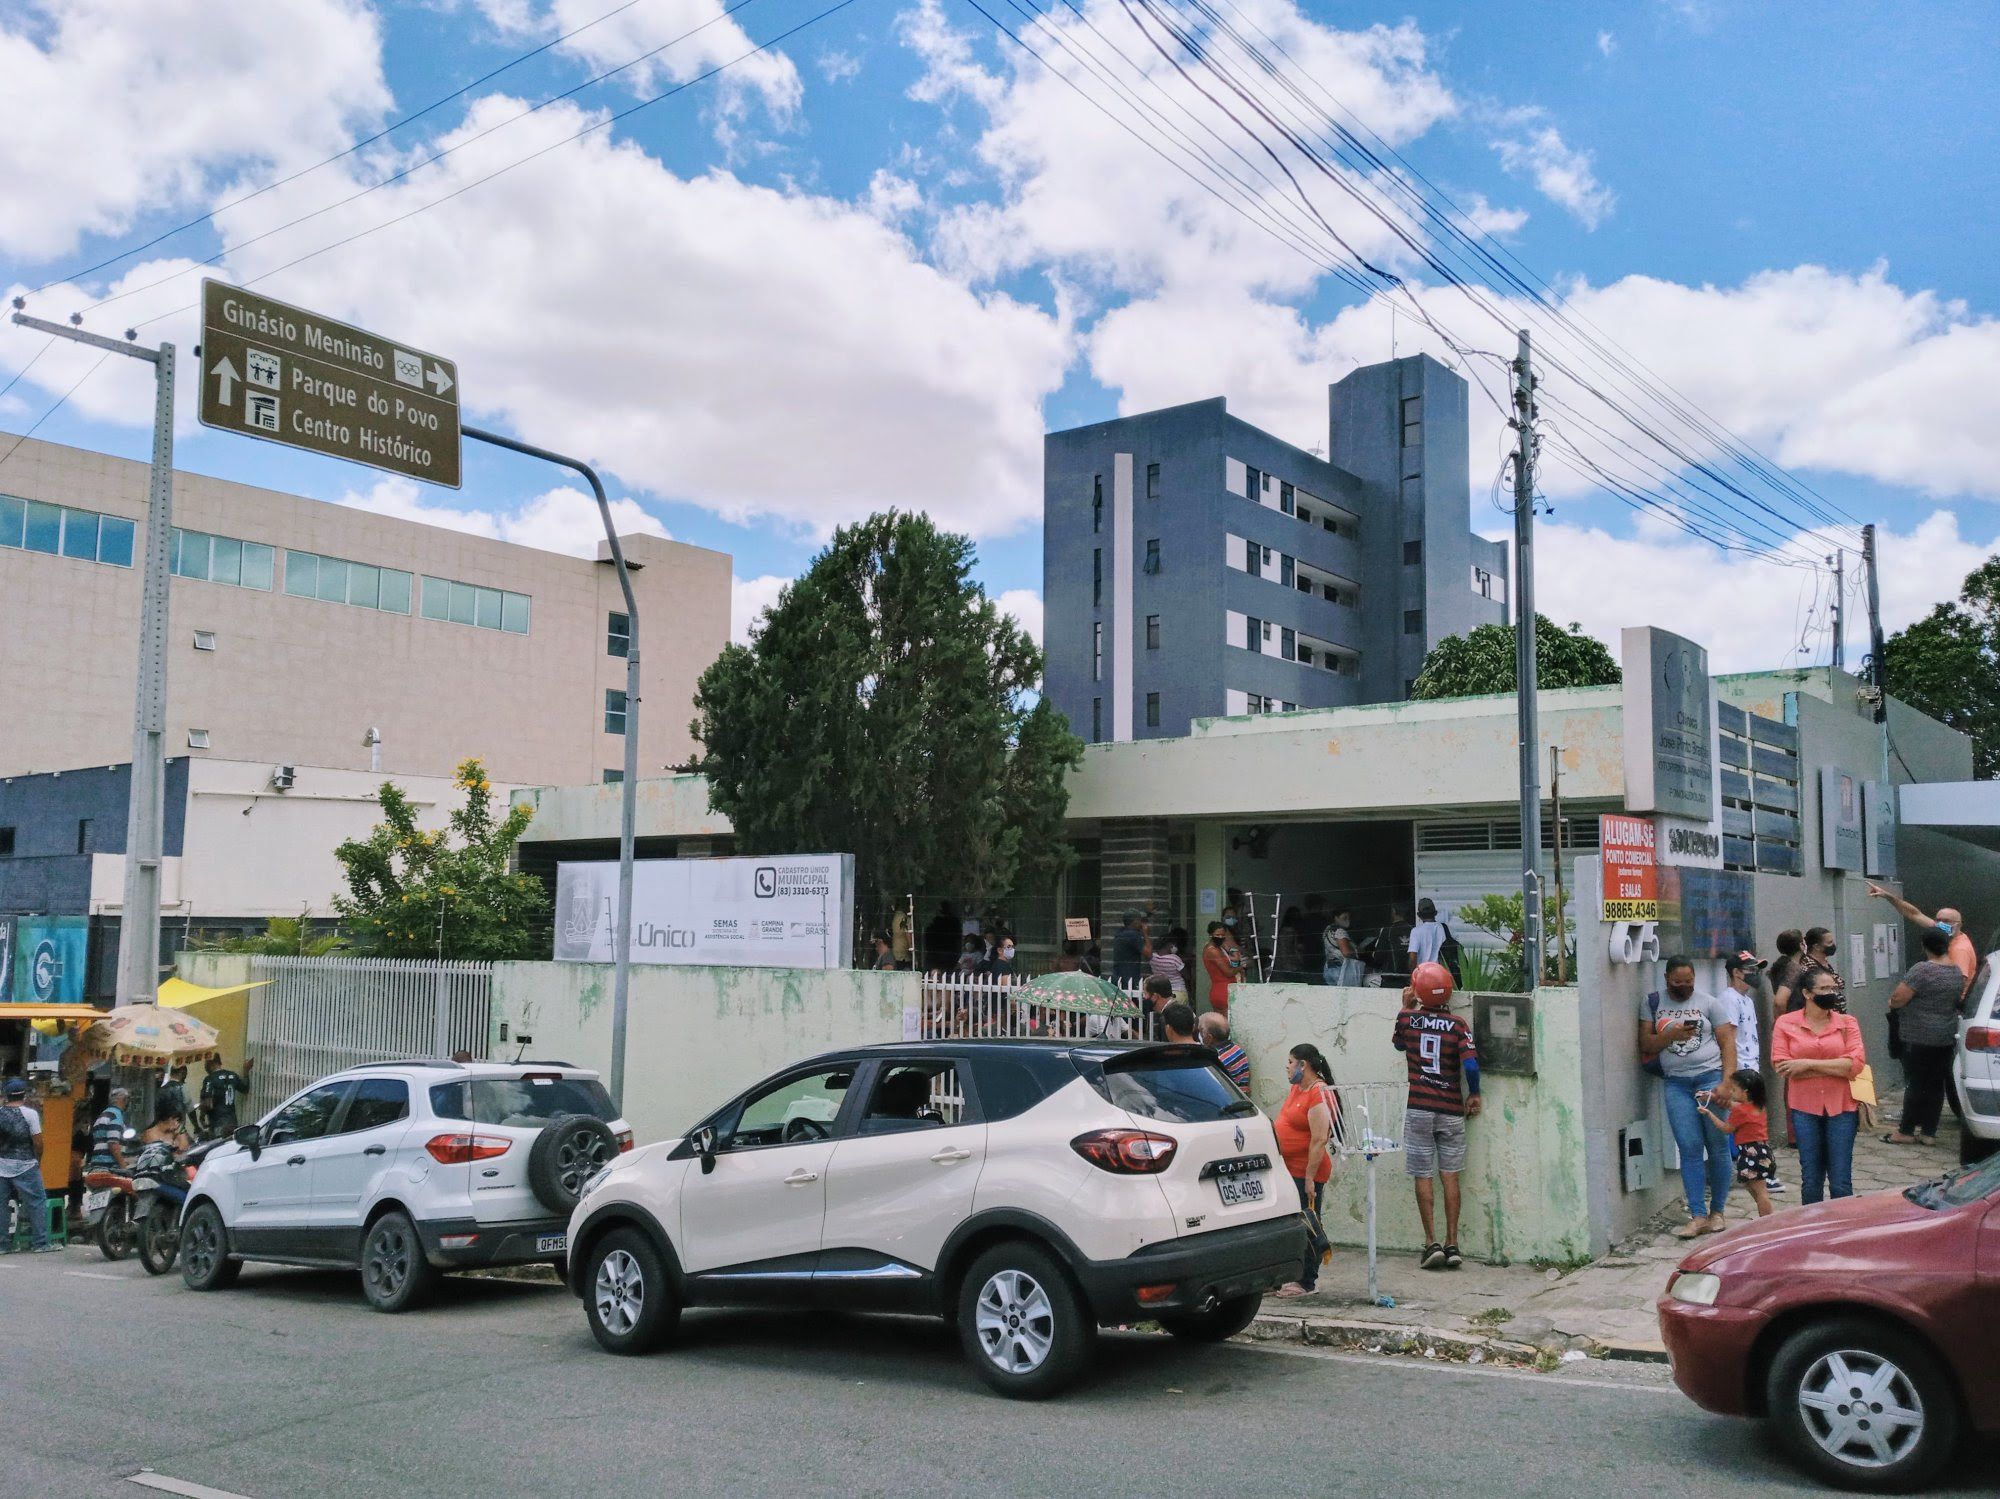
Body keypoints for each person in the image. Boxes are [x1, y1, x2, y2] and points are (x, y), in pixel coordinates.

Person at [1639, 955, 1739, 1238]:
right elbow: (1645, 1043)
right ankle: (1697, 1215)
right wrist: (1670, 1035)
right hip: (1676, 1084)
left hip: (1710, 1078)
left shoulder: (1709, 1003)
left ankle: (1717, 1212)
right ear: (1666, 978)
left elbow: (1727, 1043)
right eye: (1677, 982)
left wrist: (1727, 1083)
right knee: (1689, 1147)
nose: (1684, 986)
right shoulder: (1652, 1003)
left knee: (1717, 1145)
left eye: (1689, 981)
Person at [1394, 960, 1480, 1270]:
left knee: (1423, 1174)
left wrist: (1406, 1007)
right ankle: (1452, 1243)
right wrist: (1475, 1093)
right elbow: (1471, 1064)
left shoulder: (1408, 1020)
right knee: (1450, 1175)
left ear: (1418, 990)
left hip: (1418, 1108)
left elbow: (1398, 1045)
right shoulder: (1458, 1025)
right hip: (1451, 1109)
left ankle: (1431, 1243)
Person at [1773, 965, 1867, 1203]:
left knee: (1841, 1180)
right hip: (1804, 1108)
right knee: (1811, 1179)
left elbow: (1855, 1065)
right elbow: (1782, 1066)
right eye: (1824, 988)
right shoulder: (1785, 1023)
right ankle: (1812, 1223)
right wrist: (1836, 1067)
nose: (1831, 993)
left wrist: (1805, 1064)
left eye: (1833, 988)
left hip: (1842, 1108)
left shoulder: (1847, 1023)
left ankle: (1840, 1224)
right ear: (1807, 993)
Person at [1885, 927, 1969, 1146]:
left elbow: (1898, 999)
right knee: (1935, 1084)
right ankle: (1929, 1132)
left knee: (1916, 1083)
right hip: (1945, 1035)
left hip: (1918, 1035)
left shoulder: (1921, 970)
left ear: (1925, 946)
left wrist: (1893, 1003)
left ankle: (1906, 1131)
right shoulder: (1956, 971)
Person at [1273, 1043, 1339, 1297]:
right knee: (1287, 1223)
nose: (1287, 1067)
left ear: (1304, 1065)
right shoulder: (1297, 1088)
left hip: (1307, 1171)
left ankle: (1306, 1281)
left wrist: (1310, 1178)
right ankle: (1283, 1276)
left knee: (1308, 1223)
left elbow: (1319, 1139)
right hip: (1288, 1169)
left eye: (1290, 1062)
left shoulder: (1319, 1093)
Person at [1695, 1070, 1776, 1219]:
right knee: (1753, 1187)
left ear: (1745, 1092)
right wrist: (1712, 1097)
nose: (1731, 1093)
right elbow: (1734, 1105)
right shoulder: (1758, 1106)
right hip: (1762, 1151)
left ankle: (1768, 1221)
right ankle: (1765, 1218)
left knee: (1760, 1192)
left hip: (1750, 1152)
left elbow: (1726, 1129)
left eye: (1734, 1089)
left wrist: (1709, 1113)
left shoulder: (1740, 1111)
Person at [1868, 884, 1978, 993]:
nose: (1940, 924)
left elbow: (1957, 984)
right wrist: (1886, 895)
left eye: (1946, 921)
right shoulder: (1943, 932)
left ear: (1959, 924)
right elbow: (1913, 914)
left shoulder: (1960, 949)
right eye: (1938, 920)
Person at [0, 1078, 58, 1253]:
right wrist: (37, 1160)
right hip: (26, 1164)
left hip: (2, 1165)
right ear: (24, 1095)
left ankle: (3, 1244)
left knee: (1, 1204)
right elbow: (38, 1142)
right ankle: (41, 1243)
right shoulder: (30, 1114)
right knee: (37, 1201)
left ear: (6, 1095)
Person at [199, 1056, 254, 1140]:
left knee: (218, 1146)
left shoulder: (210, 1079)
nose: (205, 1067)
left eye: (206, 1064)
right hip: (232, 1122)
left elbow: (207, 1103)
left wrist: (202, 1117)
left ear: (213, 1063)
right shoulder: (232, 1075)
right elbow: (245, 1089)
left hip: (217, 1123)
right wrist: (246, 1070)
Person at [1199, 1012, 1251, 1092]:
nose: (1199, 1035)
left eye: (1201, 1032)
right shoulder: (1238, 1050)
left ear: (1209, 1038)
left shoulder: (1217, 1060)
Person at [1798, 927, 1846, 1011]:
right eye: (1829, 942)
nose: (1833, 945)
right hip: (1822, 1012)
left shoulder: (1824, 962)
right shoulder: (1809, 966)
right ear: (1817, 946)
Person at [87, 1088, 132, 1172]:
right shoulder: (116, 1115)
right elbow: (113, 1143)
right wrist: (123, 1166)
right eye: (127, 1099)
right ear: (123, 1100)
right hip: (109, 1167)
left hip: (97, 1163)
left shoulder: (103, 1115)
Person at [1202, 922, 1241, 1016]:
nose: (1220, 937)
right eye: (1217, 935)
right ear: (1210, 934)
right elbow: (1228, 972)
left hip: (1221, 989)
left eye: (1222, 935)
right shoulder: (1213, 950)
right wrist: (1241, 967)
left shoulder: (1216, 948)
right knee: (1228, 1022)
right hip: (1224, 990)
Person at [1323, 909, 1363, 987]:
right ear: (1336, 918)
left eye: (1349, 918)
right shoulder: (1340, 931)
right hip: (1341, 970)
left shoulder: (1328, 929)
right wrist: (1357, 951)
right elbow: (1346, 953)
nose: (1348, 920)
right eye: (1344, 918)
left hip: (1329, 968)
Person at [1768, 929, 1806, 1012]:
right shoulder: (1793, 968)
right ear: (1801, 945)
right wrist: (1782, 1019)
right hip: (1794, 1014)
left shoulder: (1782, 965)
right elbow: (1779, 1001)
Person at [1110, 911, 1151, 987]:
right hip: (1129, 978)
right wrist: (1145, 933)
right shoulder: (1133, 935)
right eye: (1140, 921)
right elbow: (1148, 953)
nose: (1142, 923)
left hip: (1118, 976)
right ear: (1135, 922)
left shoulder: (1120, 932)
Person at [1407, 899, 1447, 968]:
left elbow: (1413, 958)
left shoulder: (1416, 931)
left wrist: (1413, 972)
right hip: (1441, 971)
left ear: (1418, 915)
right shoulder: (1444, 928)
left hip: (1423, 971)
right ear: (1435, 913)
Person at [1149, 934, 1187, 1000]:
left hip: (1162, 993)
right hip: (1178, 991)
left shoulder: (1153, 957)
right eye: (1174, 945)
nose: (1175, 947)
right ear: (1168, 945)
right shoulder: (1175, 959)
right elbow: (1186, 974)